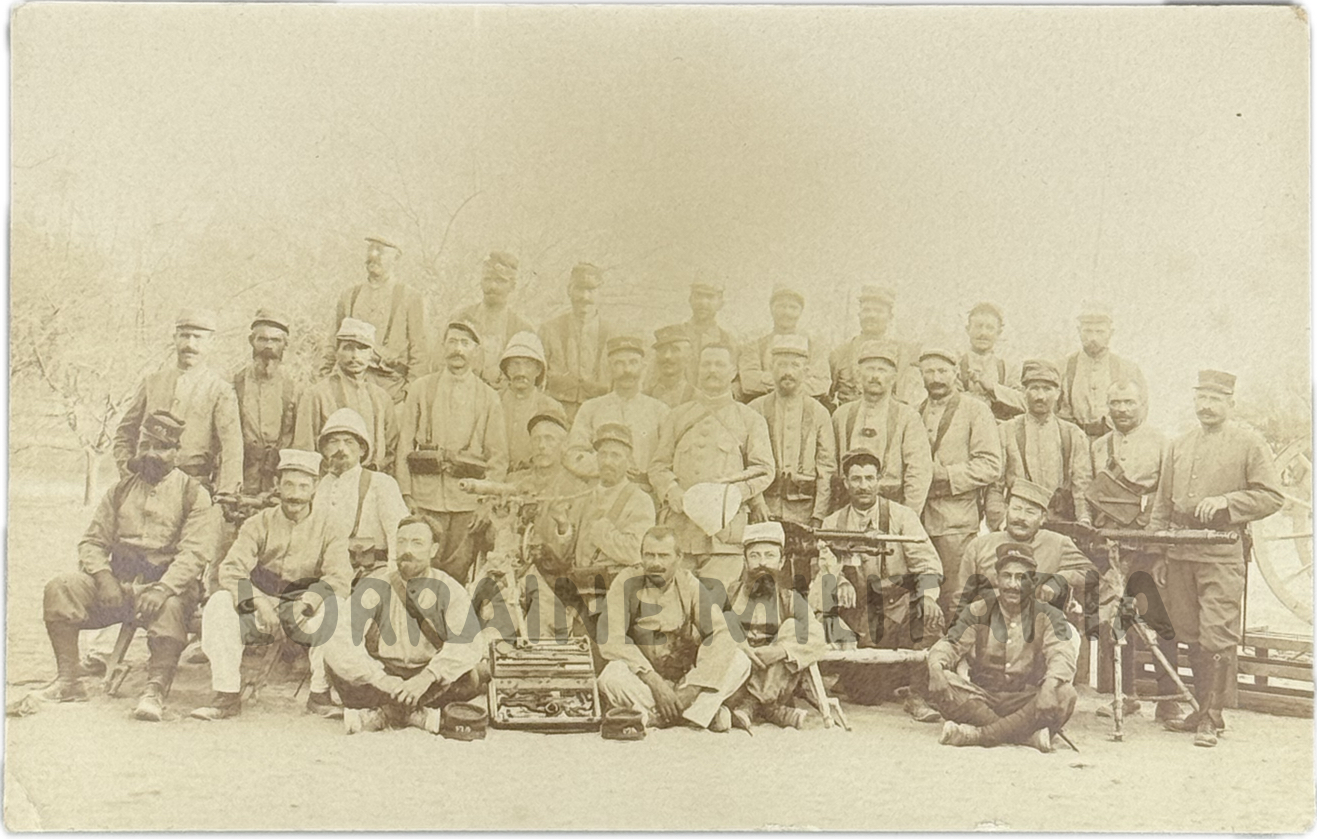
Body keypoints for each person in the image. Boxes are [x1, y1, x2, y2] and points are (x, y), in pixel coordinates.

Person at [43, 411, 218, 720]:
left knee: (171, 608)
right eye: (146, 445)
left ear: (176, 452)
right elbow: (92, 542)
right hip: (118, 586)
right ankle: (68, 681)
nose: (152, 454)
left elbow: (194, 554)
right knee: (60, 588)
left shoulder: (194, 494)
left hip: (167, 588)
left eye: (162, 447)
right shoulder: (120, 490)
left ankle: (154, 691)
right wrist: (103, 577)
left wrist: (163, 588)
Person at [1150, 369, 1283, 747]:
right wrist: (1160, 552)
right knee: (1189, 631)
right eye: (1201, 398)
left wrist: (1228, 501)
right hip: (1180, 554)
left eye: (1215, 399)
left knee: (1217, 633)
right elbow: (1162, 504)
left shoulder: (1249, 444)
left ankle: (1213, 716)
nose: (1206, 406)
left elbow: (1272, 497)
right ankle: (1200, 709)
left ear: (1230, 404)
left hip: (1222, 554)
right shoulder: (1178, 445)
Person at [191, 449, 353, 721]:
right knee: (219, 604)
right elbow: (230, 569)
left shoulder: (331, 526)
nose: (295, 494)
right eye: (288, 484)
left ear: (315, 488)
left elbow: (338, 578)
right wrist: (258, 600)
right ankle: (226, 695)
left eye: (304, 486)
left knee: (336, 607)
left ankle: (319, 695)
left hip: (304, 608)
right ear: (277, 486)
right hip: (262, 602)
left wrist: (308, 602)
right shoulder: (258, 523)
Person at [323, 517, 488, 734]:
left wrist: (426, 677)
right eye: (401, 542)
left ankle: (385, 714)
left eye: (417, 543)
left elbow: (466, 642)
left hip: (429, 678)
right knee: (335, 664)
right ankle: (416, 715)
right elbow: (341, 638)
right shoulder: (375, 585)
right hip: (383, 675)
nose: (407, 550)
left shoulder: (450, 589)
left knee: (469, 675)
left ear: (433, 549)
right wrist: (379, 678)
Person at [813, 449, 943, 721]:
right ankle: (885, 679)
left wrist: (928, 596)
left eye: (870, 478)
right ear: (845, 482)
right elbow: (823, 568)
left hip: (898, 607)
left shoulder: (903, 517)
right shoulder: (832, 522)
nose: (863, 486)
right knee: (865, 695)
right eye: (856, 479)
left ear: (879, 480)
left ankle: (917, 694)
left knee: (929, 616)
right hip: (860, 615)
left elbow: (928, 565)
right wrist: (839, 580)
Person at [649, 343, 775, 608]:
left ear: (732, 371)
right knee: (673, 606)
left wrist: (732, 495)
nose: (712, 370)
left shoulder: (749, 419)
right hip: (680, 532)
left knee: (714, 610)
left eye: (719, 364)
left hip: (724, 537)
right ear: (697, 370)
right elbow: (658, 466)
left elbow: (764, 470)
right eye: (706, 364)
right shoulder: (677, 417)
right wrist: (672, 491)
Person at [596, 527, 753, 731]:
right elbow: (611, 637)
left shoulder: (688, 583)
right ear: (641, 556)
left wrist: (694, 687)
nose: (656, 563)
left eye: (663, 555)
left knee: (740, 660)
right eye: (649, 555)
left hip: (685, 681)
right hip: (645, 680)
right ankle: (697, 715)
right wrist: (653, 680)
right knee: (611, 675)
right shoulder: (626, 581)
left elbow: (720, 633)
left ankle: (661, 716)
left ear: (678, 558)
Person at [928, 542, 1079, 753]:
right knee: (946, 681)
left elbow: (1061, 653)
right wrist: (935, 667)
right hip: (983, 697)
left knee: (1064, 693)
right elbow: (951, 643)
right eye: (1007, 576)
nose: (1013, 584)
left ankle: (981, 735)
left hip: (1026, 699)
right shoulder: (979, 609)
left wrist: (1050, 684)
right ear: (997, 579)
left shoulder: (1050, 615)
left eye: (1021, 578)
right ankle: (1026, 737)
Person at [1087, 379, 1178, 721]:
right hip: (1109, 545)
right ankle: (1125, 696)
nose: (1122, 409)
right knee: (1116, 620)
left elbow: (1165, 496)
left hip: (1146, 546)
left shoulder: (1161, 443)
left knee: (1157, 619)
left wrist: (1159, 548)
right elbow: (1091, 493)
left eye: (1128, 402)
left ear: (1143, 404)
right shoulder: (1098, 447)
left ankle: (1168, 698)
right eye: (1115, 403)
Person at [396, 320, 508, 584]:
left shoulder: (489, 397)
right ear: (443, 346)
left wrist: (487, 503)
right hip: (425, 499)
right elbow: (404, 445)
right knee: (420, 570)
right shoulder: (421, 389)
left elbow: (498, 457)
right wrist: (407, 495)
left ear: (476, 351)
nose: (458, 349)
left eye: (465, 343)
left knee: (457, 574)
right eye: (452, 341)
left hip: (466, 504)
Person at [538, 423, 657, 637]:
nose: (608, 462)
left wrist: (600, 529)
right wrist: (563, 525)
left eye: (616, 455)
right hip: (582, 596)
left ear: (629, 460)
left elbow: (634, 552)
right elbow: (568, 554)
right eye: (602, 454)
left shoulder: (640, 500)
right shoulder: (585, 497)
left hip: (618, 596)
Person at [113, 308, 243, 495]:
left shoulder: (220, 391)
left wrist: (225, 494)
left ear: (211, 343)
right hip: (146, 486)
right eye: (184, 336)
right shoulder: (152, 383)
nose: (190, 344)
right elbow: (124, 433)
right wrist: (127, 472)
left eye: (198, 337)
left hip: (193, 489)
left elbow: (232, 449)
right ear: (175, 338)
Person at [917, 347, 1003, 619]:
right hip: (918, 520)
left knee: (955, 597)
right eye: (929, 371)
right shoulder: (914, 411)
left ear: (956, 373)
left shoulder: (975, 410)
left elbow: (991, 465)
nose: (936, 378)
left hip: (956, 521)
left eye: (943, 371)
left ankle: (957, 656)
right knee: (920, 596)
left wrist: (945, 475)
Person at [723, 522, 828, 730]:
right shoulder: (730, 594)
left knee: (792, 627)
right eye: (755, 556)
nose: (762, 563)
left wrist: (779, 651)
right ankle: (770, 710)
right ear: (745, 561)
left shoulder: (789, 599)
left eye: (769, 556)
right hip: (737, 673)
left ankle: (755, 704)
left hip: (775, 675)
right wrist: (739, 644)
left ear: (781, 562)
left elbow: (817, 636)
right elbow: (707, 630)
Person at [957, 479, 1094, 619]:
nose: (1021, 517)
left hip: (1039, 627)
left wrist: (1059, 580)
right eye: (1016, 509)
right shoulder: (979, 546)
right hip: (989, 627)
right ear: (1007, 511)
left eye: (1030, 512)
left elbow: (1091, 573)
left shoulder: (1058, 543)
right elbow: (961, 599)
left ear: (1042, 519)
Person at [986, 359, 1092, 530]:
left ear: (1058, 393)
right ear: (1024, 391)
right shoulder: (1005, 431)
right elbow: (995, 487)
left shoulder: (1073, 434)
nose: (1040, 396)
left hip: (1061, 521)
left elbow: (1082, 486)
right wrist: (1001, 522)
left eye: (1047, 389)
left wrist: (1084, 520)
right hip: (1018, 522)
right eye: (1034, 388)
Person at [831, 341, 933, 515]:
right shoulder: (842, 415)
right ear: (858, 374)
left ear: (893, 377)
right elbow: (831, 467)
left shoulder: (907, 417)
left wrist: (908, 517)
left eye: (882, 370)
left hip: (892, 509)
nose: (875, 376)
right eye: (869, 369)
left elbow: (918, 473)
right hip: (848, 509)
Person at [324, 236, 428, 402]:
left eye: (381, 251)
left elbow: (420, 353)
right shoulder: (349, 296)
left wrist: (410, 394)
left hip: (391, 392)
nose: (373, 255)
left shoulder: (410, 297)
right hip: (348, 390)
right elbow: (331, 345)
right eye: (370, 249)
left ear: (396, 257)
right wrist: (323, 381)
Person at [748, 334, 837, 527]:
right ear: (772, 369)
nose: (787, 372)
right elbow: (747, 461)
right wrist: (757, 503)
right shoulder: (755, 409)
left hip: (804, 511)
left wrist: (818, 515)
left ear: (805, 371)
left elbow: (826, 467)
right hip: (764, 509)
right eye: (781, 365)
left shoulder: (819, 413)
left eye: (794, 365)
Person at [313, 408, 409, 583]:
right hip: (329, 575)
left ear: (362, 450)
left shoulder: (381, 483)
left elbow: (400, 535)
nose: (341, 449)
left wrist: (394, 580)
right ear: (325, 450)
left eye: (349, 442)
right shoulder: (322, 486)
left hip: (373, 574)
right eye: (333, 442)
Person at [563, 335, 670, 489]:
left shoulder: (660, 411)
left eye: (633, 363)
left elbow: (666, 460)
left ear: (643, 367)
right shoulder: (591, 408)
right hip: (600, 492)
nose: (627, 370)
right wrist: (611, 466)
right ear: (609, 368)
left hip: (644, 493)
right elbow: (573, 455)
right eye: (619, 363)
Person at [294, 317, 398, 473]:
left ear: (371, 354)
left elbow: (391, 449)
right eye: (348, 348)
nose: (355, 355)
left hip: (371, 481)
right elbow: (305, 449)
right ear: (337, 352)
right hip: (329, 481)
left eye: (362, 348)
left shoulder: (381, 398)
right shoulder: (316, 394)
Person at [232, 308, 299, 496]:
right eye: (262, 339)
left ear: (285, 344)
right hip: (244, 475)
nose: (268, 346)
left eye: (275, 340)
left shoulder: (296, 387)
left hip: (280, 477)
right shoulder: (236, 382)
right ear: (251, 341)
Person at [1058, 301, 1146, 440]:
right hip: (1073, 441)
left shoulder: (1128, 368)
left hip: (1114, 441)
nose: (1093, 338)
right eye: (1088, 331)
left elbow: (1141, 410)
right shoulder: (1064, 367)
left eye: (1099, 332)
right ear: (1078, 331)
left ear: (1110, 333)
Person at [539, 263, 613, 422]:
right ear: (569, 290)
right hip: (556, 413)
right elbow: (538, 380)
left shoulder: (612, 334)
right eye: (579, 289)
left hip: (598, 414)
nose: (584, 297)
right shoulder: (549, 329)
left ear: (600, 293)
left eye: (591, 290)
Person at [829, 284, 923, 407]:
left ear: (890, 317)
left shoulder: (903, 352)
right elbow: (827, 396)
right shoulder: (840, 353)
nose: (872, 315)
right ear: (859, 314)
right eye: (867, 310)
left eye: (879, 311)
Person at [452, 251, 535, 389]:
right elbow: (442, 364)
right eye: (487, 279)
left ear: (512, 286)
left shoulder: (523, 329)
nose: (492, 286)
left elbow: (529, 377)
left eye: (500, 281)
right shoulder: (460, 319)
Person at [737, 284, 831, 402]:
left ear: (801, 311)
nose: (786, 312)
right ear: (771, 308)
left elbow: (821, 383)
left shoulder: (815, 346)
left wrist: (772, 381)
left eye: (793, 307)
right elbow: (749, 381)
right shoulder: (755, 345)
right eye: (781, 306)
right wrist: (794, 382)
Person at [497, 331, 564, 471]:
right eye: (515, 364)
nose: (521, 372)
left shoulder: (551, 406)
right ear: (506, 369)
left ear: (538, 370)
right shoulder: (493, 401)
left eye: (528, 365)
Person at [653, 281, 738, 390]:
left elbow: (735, 381)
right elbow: (652, 379)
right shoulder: (671, 337)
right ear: (690, 299)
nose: (703, 302)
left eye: (710, 297)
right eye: (698, 296)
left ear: (721, 303)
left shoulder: (729, 341)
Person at [957, 302, 1025, 421]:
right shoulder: (956, 366)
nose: (983, 333)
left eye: (990, 328)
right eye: (978, 326)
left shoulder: (1007, 368)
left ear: (998, 333)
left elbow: (1024, 402)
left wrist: (993, 388)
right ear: (968, 329)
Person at [645, 325, 698, 408]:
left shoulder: (697, 399)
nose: (667, 356)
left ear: (688, 356)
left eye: (675, 350)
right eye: (662, 350)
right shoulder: (645, 397)